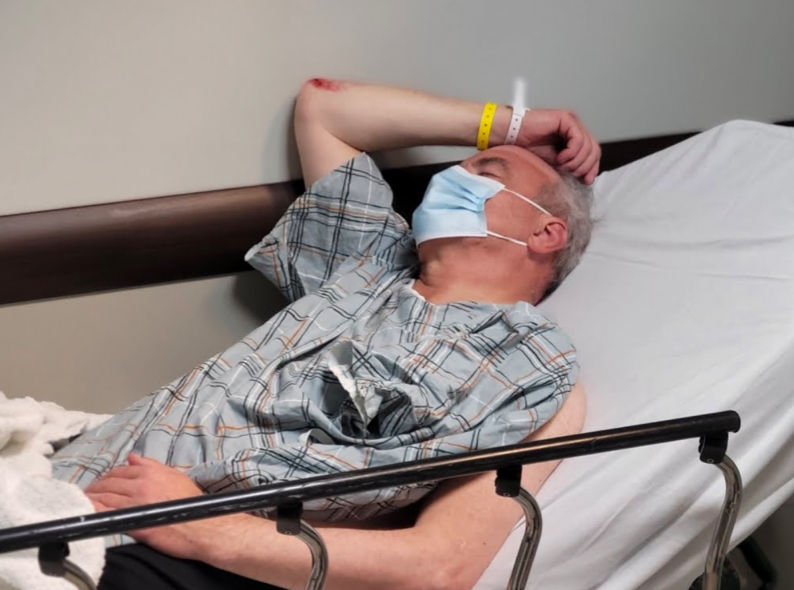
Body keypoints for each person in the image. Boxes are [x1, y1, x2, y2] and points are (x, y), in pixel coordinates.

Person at [53, 79, 599, 590]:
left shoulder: (530, 370)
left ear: (546, 232)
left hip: (183, 549)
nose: (451, 178)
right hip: (75, 483)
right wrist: (512, 127)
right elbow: (325, 108)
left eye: (488, 172)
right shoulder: (371, 262)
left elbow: (443, 563)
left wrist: (201, 527)